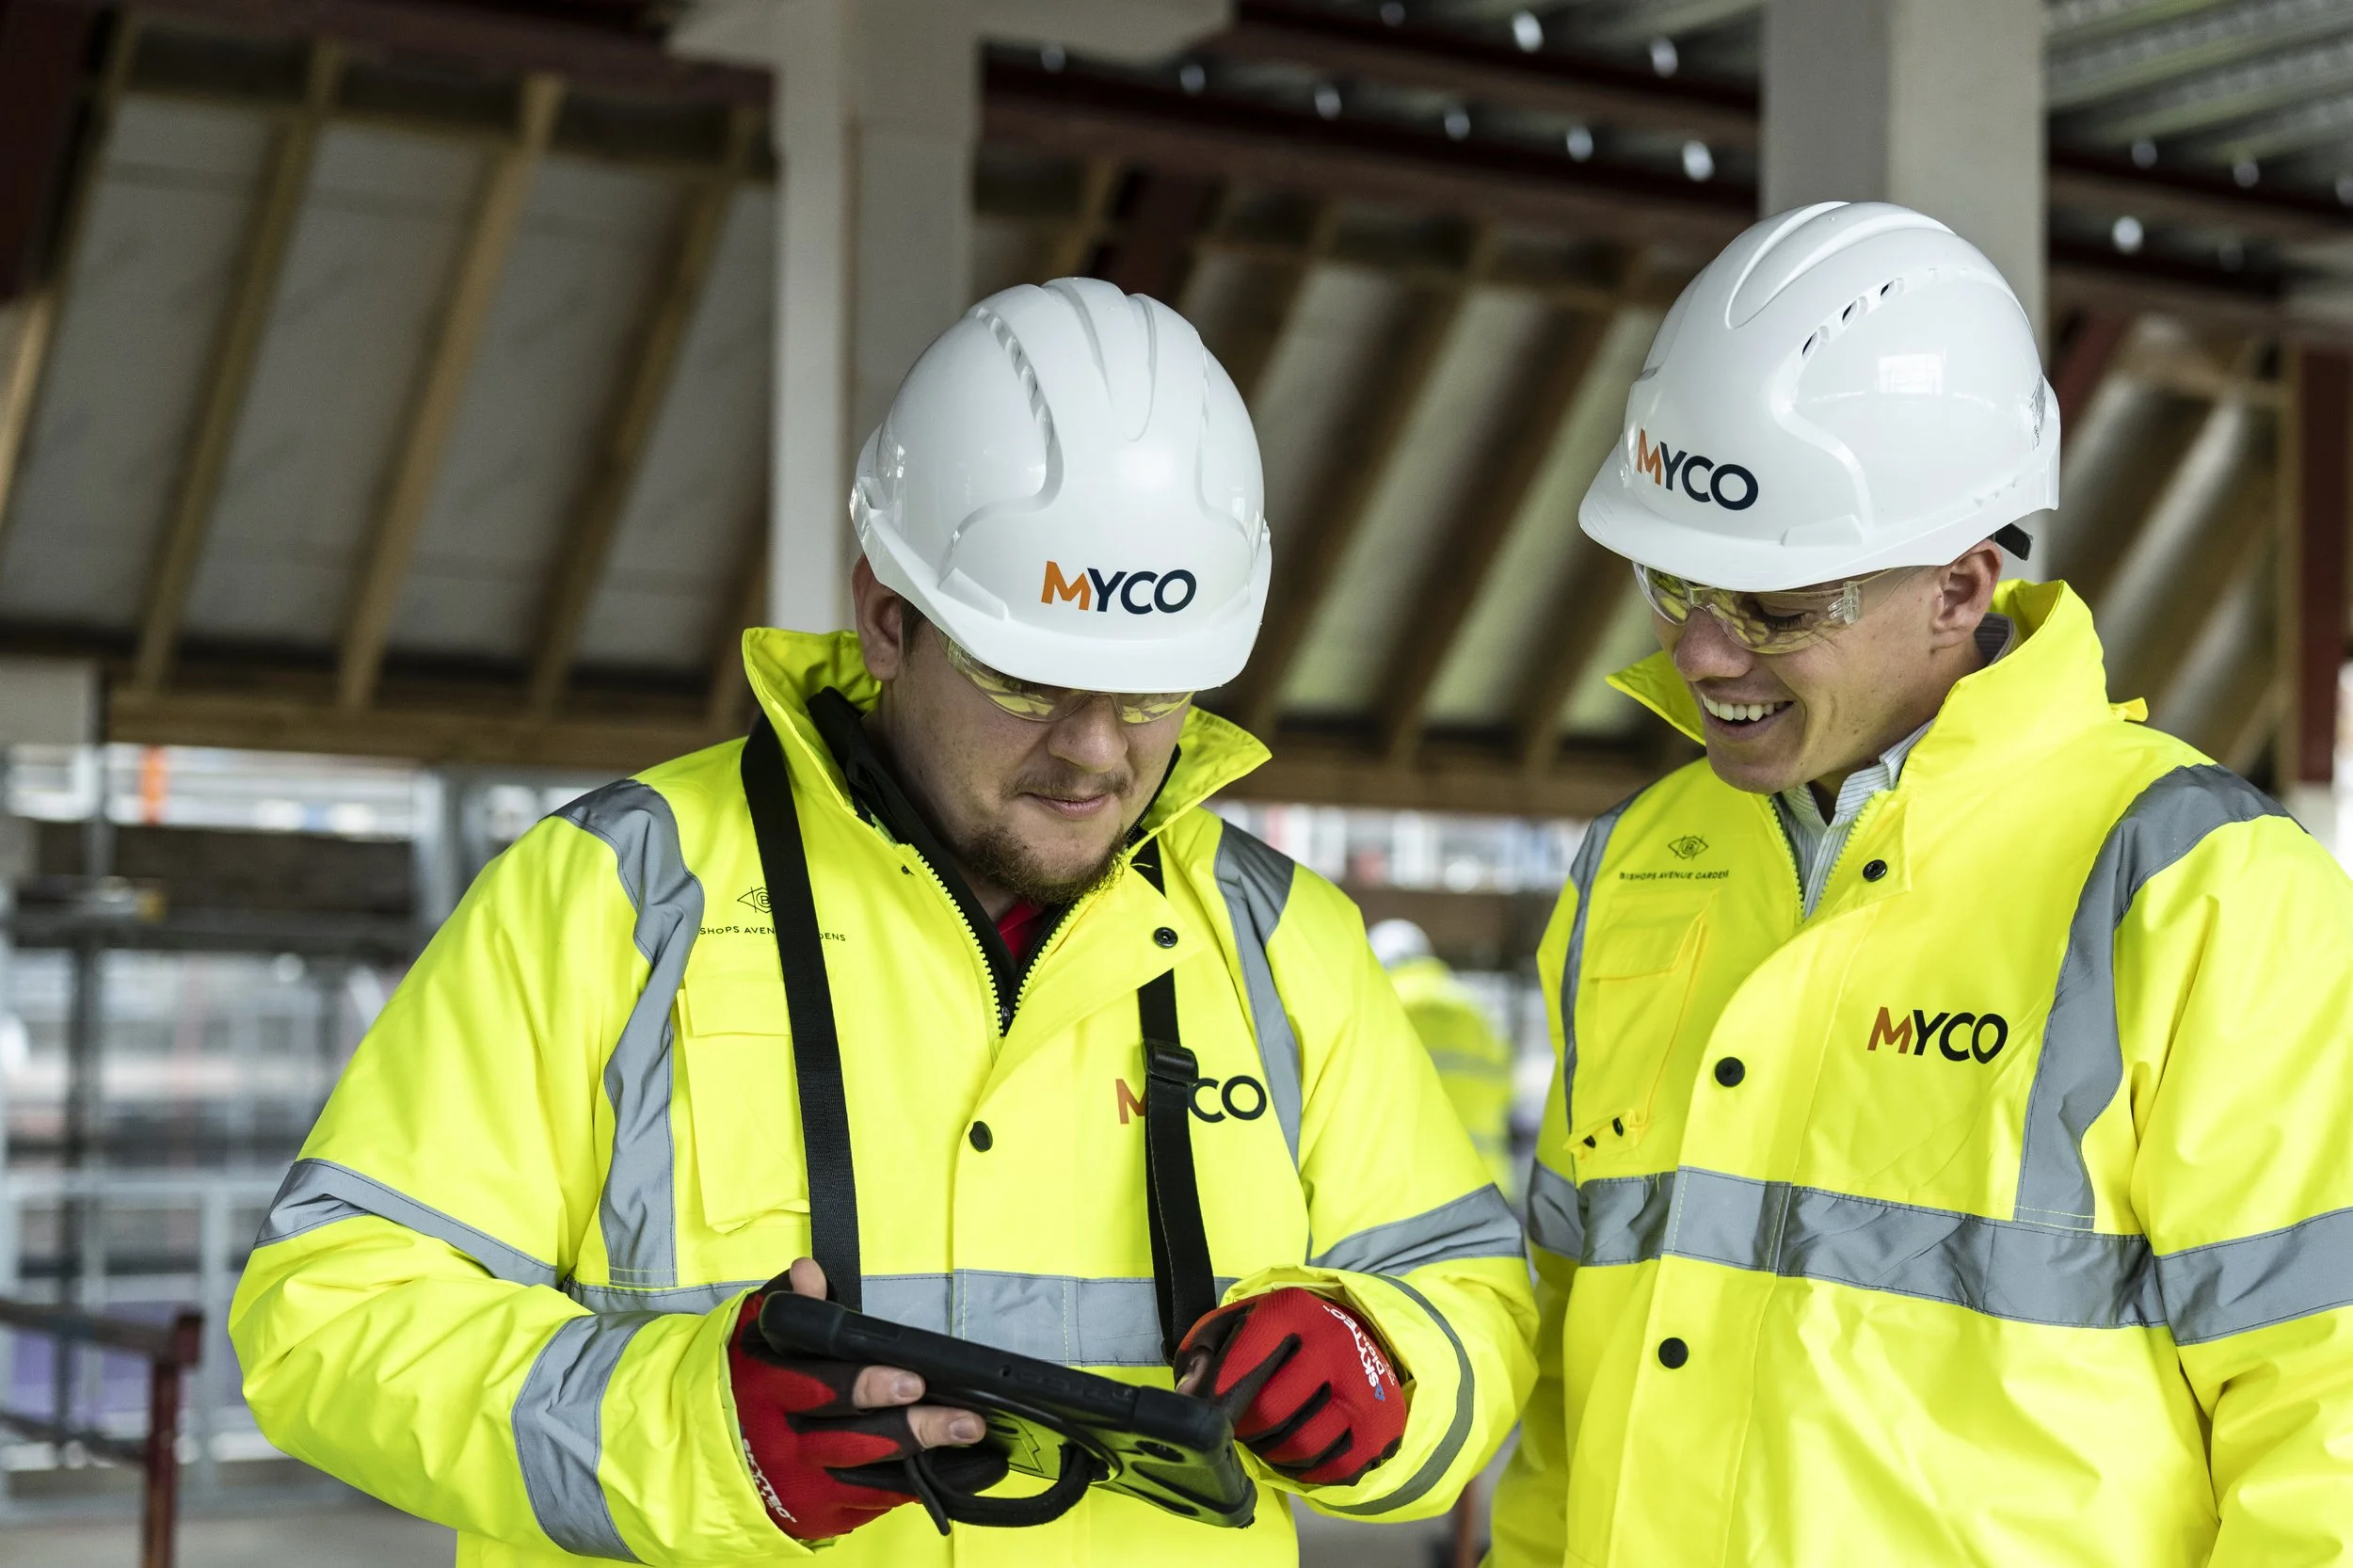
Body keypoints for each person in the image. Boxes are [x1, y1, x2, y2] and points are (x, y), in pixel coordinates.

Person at [231, 279, 1535, 1567]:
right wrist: (687, 1432)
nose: (1094, 751)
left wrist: (1392, 1366)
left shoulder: (1283, 942)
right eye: (1028, 677)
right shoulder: (617, 896)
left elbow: (1471, 1292)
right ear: (888, 616)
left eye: (1149, 689)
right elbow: (327, 1312)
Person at [1489, 202, 2353, 1566]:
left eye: (1776, 605)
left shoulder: (2198, 891)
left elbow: (2327, 1421)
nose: (1705, 653)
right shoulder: (1639, 864)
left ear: (1963, 584)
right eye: (1674, 581)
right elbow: (1565, 1375)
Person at [1368, 920, 1517, 1195]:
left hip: (1408, 1192)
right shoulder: (1477, 1011)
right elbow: (1507, 1095)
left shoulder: (1377, 1007)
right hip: (1486, 1188)